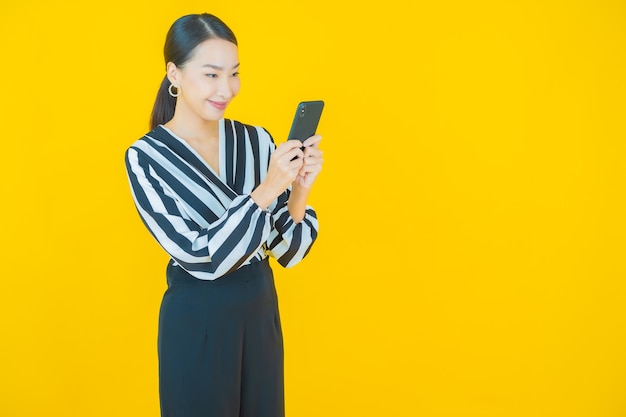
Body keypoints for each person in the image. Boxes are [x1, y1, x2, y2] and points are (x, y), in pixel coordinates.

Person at [124, 13, 322, 417]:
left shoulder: (256, 140)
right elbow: (200, 256)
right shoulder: (147, 157)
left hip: (260, 313)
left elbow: (287, 252)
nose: (227, 89)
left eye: (233, 74)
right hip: (198, 321)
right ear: (173, 74)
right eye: (211, 74)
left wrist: (299, 187)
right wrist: (267, 190)